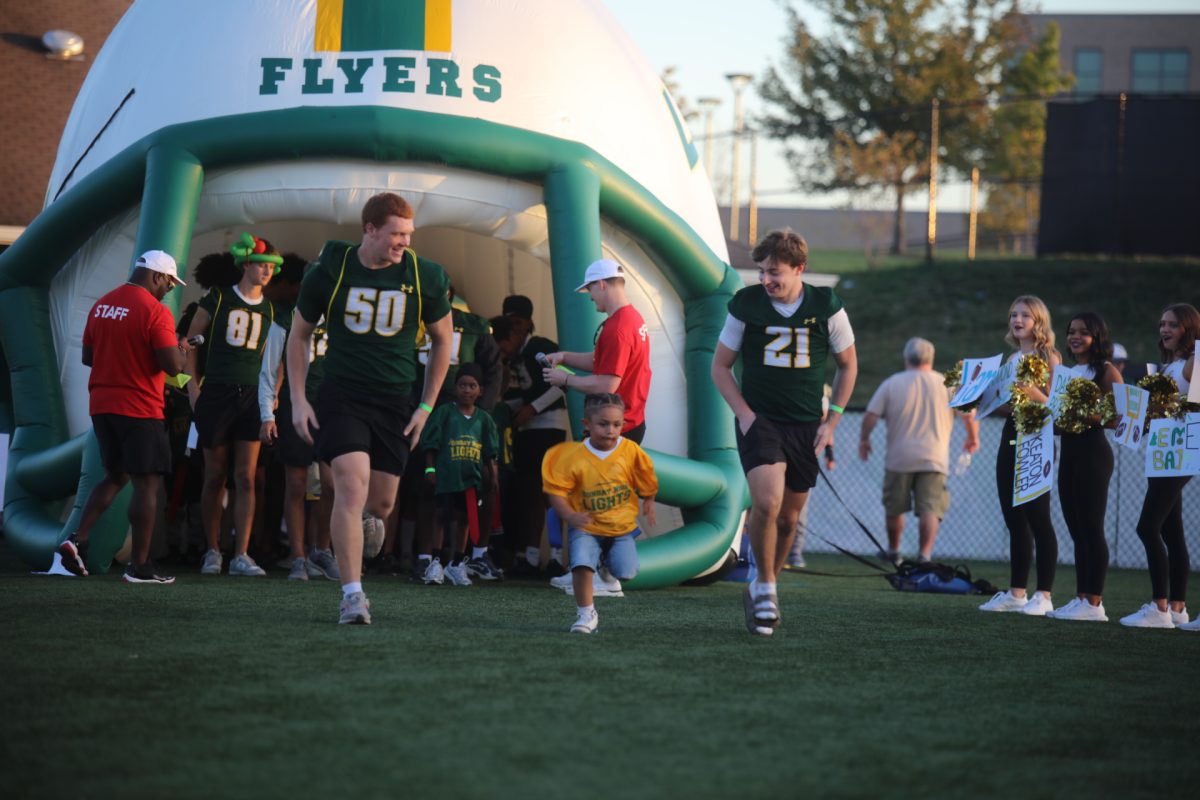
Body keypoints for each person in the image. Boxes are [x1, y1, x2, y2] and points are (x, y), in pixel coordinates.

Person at [287, 192, 453, 624]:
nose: (404, 242)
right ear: (370, 229)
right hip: (343, 396)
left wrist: (426, 407)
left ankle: (360, 530)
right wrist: (298, 399)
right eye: (396, 234)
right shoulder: (332, 270)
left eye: (409, 234)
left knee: (379, 506)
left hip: (396, 399)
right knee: (349, 484)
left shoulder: (425, 275)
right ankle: (352, 595)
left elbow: (442, 341)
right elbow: (299, 334)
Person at [710, 229, 857, 637]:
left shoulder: (825, 304)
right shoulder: (747, 304)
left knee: (790, 521)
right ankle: (767, 588)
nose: (765, 280)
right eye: (761, 272)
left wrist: (833, 422)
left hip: (807, 423)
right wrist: (743, 414)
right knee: (768, 502)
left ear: (800, 269)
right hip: (762, 421)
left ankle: (763, 583)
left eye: (774, 272)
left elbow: (849, 366)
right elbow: (720, 367)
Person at [58, 251, 190, 583]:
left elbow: (90, 356)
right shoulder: (155, 311)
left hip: (102, 405)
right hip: (140, 408)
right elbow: (172, 367)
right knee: (147, 484)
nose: (169, 290)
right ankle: (141, 566)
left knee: (115, 477)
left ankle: (77, 540)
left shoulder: (102, 304)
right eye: (170, 283)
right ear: (158, 276)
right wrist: (181, 352)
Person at [184, 234, 280, 577]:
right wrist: (192, 389)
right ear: (246, 265)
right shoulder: (218, 299)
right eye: (261, 265)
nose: (267, 271)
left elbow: (278, 359)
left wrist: (272, 397)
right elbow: (189, 344)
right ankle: (212, 550)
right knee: (215, 475)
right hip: (218, 394)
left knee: (248, 476)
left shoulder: (271, 309)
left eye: (271, 266)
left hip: (252, 397)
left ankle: (241, 553)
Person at [542, 393, 658, 633]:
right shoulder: (572, 456)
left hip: (619, 527)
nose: (610, 430)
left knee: (626, 571)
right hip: (585, 523)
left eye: (617, 424)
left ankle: (605, 562)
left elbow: (646, 475)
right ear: (587, 425)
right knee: (581, 563)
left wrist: (649, 500)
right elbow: (556, 492)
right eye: (603, 424)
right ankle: (586, 614)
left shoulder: (630, 450)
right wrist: (570, 515)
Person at [858, 337, 980, 564]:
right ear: (931, 359)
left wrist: (864, 440)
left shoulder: (892, 383)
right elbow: (969, 414)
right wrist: (972, 438)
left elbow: (870, 415)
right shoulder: (947, 384)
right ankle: (924, 555)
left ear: (906, 358)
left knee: (894, 507)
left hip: (898, 458)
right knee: (931, 508)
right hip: (934, 458)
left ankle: (894, 551)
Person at [257, 255, 339, 581]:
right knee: (296, 484)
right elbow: (270, 370)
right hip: (296, 405)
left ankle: (322, 548)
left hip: (332, 408)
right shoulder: (287, 319)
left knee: (332, 486)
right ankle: (298, 556)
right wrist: (267, 414)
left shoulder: (343, 318)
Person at [978, 295, 1061, 616]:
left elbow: (1057, 404)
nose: (1018, 320)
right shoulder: (1012, 359)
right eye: (1014, 314)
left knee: (1039, 517)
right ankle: (1016, 593)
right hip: (1011, 434)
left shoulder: (1050, 356)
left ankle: (1044, 595)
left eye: (1025, 315)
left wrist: (1033, 393)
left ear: (1038, 321)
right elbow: (1003, 405)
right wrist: (973, 398)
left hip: (1037, 438)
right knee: (1014, 519)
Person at [1122, 303, 1198, 630]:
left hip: (1179, 453)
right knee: (1171, 530)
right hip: (1162, 452)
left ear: (1189, 329)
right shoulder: (1168, 367)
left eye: (1172, 325)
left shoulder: (1192, 363)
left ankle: (1159, 607)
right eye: (1162, 324)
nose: (1164, 330)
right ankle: (1178, 607)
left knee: (1147, 526)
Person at [1047, 313, 1122, 622]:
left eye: (1083, 333)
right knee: (1076, 528)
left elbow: (1118, 418)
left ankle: (1095, 602)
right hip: (1070, 453)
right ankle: (1081, 598)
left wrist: (1084, 414)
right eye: (1071, 332)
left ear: (1097, 336)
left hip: (1094, 454)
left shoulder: (1106, 371)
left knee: (1092, 527)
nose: (1075, 337)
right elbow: (1058, 422)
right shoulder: (1065, 372)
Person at [494, 306, 570, 578]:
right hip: (528, 429)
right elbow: (520, 396)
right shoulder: (515, 360)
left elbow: (562, 381)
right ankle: (532, 554)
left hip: (549, 425)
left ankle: (557, 557)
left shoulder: (540, 348)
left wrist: (533, 408)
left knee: (550, 491)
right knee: (530, 492)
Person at [541, 258, 652, 443]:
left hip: (616, 428)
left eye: (589, 290)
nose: (590, 296)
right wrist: (564, 357)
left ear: (601, 284)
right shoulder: (633, 317)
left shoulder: (617, 328)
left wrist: (565, 379)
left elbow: (606, 386)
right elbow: (601, 361)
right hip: (629, 422)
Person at [418, 363, 499, 585]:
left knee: (465, 520)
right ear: (455, 388)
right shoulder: (445, 413)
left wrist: (493, 476)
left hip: (471, 478)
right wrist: (430, 468)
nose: (466, 390)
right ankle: (435, 562)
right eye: (462, 385)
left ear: (480, 390)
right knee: (442, 516)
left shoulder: (484, 419)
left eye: (472, 386)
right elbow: (431, 443)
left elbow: (491, 451)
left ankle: (456, 563)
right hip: (446, 476)